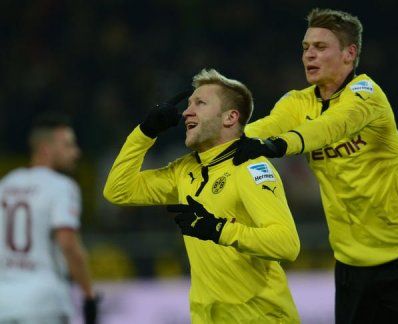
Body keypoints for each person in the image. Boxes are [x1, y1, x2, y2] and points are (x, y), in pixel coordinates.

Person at [233, 8, 398, 324]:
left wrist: (278, 146)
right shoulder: (297, 103)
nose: (308, 55)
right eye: (305, 47)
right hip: (352, 267)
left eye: (320, 47)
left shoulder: (366, 94)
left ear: (349, 53)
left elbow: (332, 126)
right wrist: (223, 140)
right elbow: (266, 126)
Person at [103, 68, 301, 323]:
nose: (187, 112)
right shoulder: (185, 171)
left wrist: (219, 229)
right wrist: (145, 133)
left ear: (230, 118)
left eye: (200, 103)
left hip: (259, 316)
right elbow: (118, 190)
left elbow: (287, 244)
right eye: (188, 104)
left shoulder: (250, 167)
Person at [0, 114, 98, 324]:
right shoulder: (61, 186)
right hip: (44, 302)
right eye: (68, 145)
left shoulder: (6, 184)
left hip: (4, 302)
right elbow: (68, 243)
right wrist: (89, 295)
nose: (76, 152)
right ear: (46, 148)